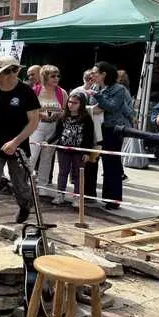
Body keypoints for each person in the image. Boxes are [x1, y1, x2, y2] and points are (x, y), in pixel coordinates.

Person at [0, 56, 40, 242]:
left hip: (18, 148)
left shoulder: (26, 92)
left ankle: (24, 204)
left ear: (13, 71)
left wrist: (15, 142)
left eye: (6, 72)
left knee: (19, 185)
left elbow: (34, 121)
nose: (3, 76)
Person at [85, 61, 134, 210]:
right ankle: (94, 194)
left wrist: (99, 97)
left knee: (111, 162)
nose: (92, 75)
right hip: (98, 127)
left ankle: (114, 198)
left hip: (113, 129)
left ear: (104, 74)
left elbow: (112, 106)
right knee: (94, 160)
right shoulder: (95, 87)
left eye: (95, 72)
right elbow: (95, 105)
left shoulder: (118, 89)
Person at [47, 91, 95, 206]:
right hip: (63, 149)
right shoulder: (63, 116)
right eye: (69, 102)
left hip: (79, 151)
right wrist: (48, 141)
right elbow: (57, 133)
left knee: (79, 174)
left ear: (81, 104)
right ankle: (60, 195)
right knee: (63, 172)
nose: (71, 104)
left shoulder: (86, 118)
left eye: (75, 103)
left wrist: (87, 152)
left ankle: (77, 197)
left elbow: (89, 136)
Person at [28, 65, 68, 197]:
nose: (56, 78)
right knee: (32, 156)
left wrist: (59, 114)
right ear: (45, 77)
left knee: (47, 158)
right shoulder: (36, 90)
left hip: (53, 128)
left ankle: (43, 185)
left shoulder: (62, 92)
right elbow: (28, 109)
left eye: (58, 76)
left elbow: (65, 110)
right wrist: (40, 114)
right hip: (37, 126)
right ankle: (26, 182)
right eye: (53, 76)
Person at [71, 69, 103, 204]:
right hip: (78, 130)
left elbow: (101, 108)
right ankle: (77, 191)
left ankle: (89, 194)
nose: (93, 80)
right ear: (86, 79)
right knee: (77, 162)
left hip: (96, 132)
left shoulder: (100, 91)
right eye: (90, 78)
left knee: (92, 162)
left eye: (94, 77)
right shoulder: (77, 91)